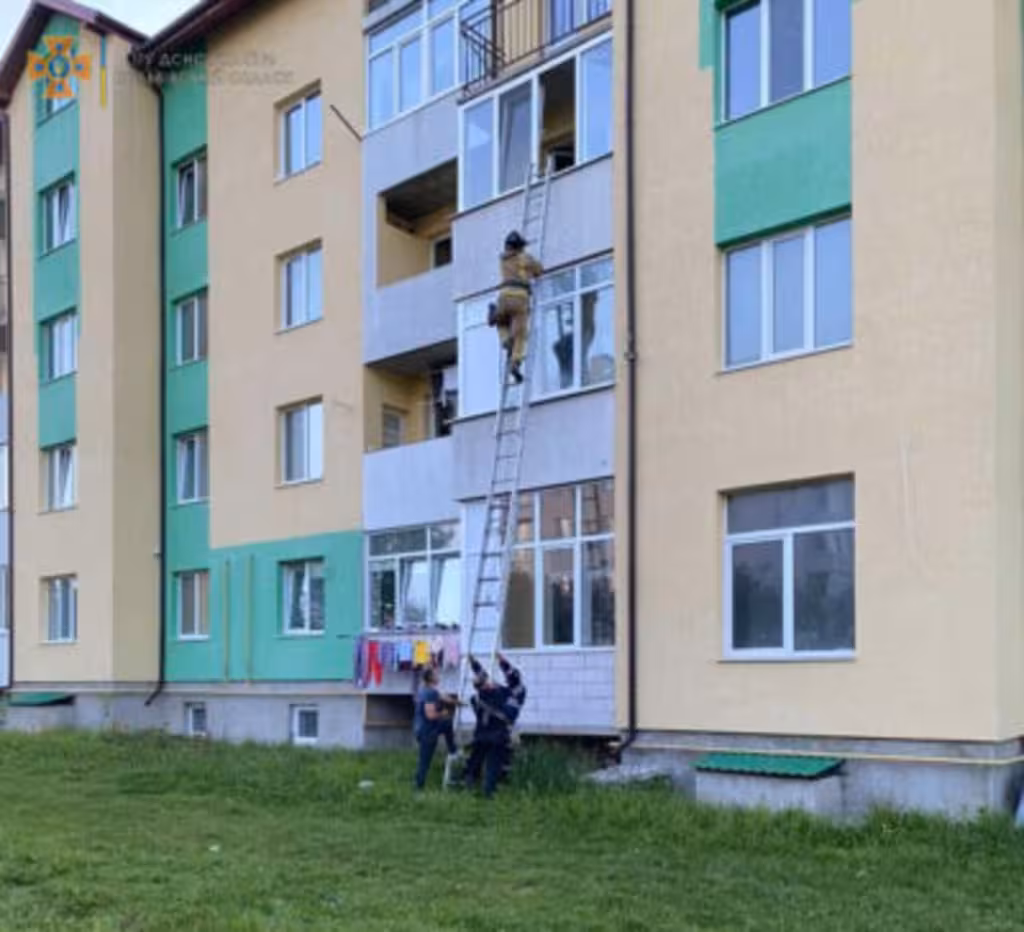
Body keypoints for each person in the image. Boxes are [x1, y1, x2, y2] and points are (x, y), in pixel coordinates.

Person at [463, 653, 527, 798]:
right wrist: (476, 664)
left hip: (484, 734)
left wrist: (475, 664)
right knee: (492, 765)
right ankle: (487, 792)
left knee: (476, 760)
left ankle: (471, 784)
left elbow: (484, 678)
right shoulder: (509, 694)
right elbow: (507, 678)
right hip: (496, 736)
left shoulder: (492, 694)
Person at [488, 231, 543, 384]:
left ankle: (505, 340)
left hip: (503, 297)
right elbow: (539, 270)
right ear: (519, 247)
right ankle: (515, 363)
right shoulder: (524, 257)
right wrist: (532, 269)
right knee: (520, 335)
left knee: (501, 321)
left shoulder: (502, 259)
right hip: (520, 298)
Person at [413, 667, 458, 791]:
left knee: (447, 723)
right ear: (431, 678)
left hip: (422, 729)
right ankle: (418, 788)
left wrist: (458, 702)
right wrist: (443, 713)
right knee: (425, 761)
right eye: (436, 674)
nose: (439, 676)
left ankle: (453, 749)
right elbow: (430, 715)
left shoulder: (426, 690)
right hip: (428, 732)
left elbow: (443, 697)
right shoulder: (430, 693)